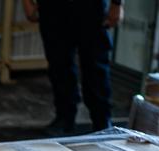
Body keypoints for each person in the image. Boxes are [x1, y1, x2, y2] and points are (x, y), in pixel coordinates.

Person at [22, 0, 123, 135]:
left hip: (91, 6)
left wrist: (117, 4)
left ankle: (102, 120)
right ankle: (64, 118)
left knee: (95, 65)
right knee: (58, 64)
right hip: (52, 7)